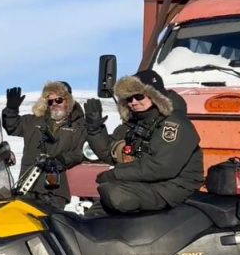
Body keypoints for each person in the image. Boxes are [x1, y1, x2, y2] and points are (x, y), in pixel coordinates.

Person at [84, 69, 203, 213]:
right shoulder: (136, 123)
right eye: (129, 99)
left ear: (156, 96)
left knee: (115, 194)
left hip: (171, 188)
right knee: (94, 214)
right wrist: (95, 129)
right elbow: (110, 152)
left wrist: (116, 174)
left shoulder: (174, 124)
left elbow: (161, 167)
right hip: (144, 184)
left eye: (139, 96)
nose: (133, 102)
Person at [2, 81, 86, 209]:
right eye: (50, 101)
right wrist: (11, 110)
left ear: (68, 100)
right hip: (27, 187)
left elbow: (80, 153)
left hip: (55, 190)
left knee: (51, 225)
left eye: (58, 100)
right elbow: (12, 126)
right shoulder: (33, 121)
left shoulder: (78, 127)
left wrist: (59, 161)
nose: (54, 104)